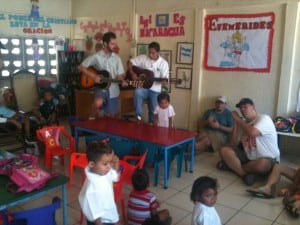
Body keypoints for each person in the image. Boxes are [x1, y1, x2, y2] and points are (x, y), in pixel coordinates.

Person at [217, 98, 280, 186]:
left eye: (245, 107)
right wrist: (236, 123)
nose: (242, 110)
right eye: (240, 108)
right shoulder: (243, 123)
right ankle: (244, 174)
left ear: (253, 107)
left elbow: (252, 133)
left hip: (268, 158)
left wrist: (238, 120)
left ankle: (232, 166)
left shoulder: (264, 118)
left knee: (261, 165)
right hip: (248, 156)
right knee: (223, 150)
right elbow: (233, 143)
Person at [79, 32, 127, 117]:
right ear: (105, 44)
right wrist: (94, 76)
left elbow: (120, 75)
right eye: (112, 44)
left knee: (111, 115)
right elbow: (81, 67)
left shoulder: (117, 58)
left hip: (113, 89)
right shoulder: (96, 56)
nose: (114, 46)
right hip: (101, 87)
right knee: (98, 102)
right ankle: (92, 117)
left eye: (115, 44)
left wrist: (121, 80)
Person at [78, 141, 120, 225]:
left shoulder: (102, 171)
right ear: (91, 164)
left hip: (108, 214)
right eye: (105, 163)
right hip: (100, 221)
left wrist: (116, 164)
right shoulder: (93, 187)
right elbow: (95, 212)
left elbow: (114, 177)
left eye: (110, 162)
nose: (109, 166)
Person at [127, 42, 169, 123]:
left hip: (155, 90)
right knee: (137, 91)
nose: (150, 55)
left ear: (158, 53)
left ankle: (151, 124)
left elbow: (164, 81)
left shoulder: (164, 64)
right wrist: (132, 73)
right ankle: (138, 117)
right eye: (149, 52)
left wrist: (164, 82)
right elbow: (129, 62)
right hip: (144, 88)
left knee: (153, 108)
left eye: (153, 53)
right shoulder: (143, 58)